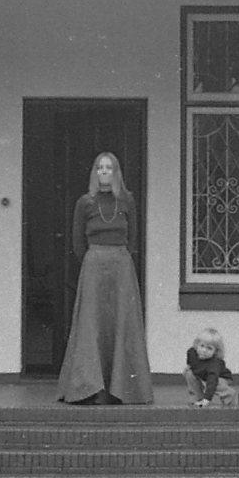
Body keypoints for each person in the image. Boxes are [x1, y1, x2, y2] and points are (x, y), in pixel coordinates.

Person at [57, 152, 153, 405]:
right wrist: (95, 259)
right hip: (94, 266)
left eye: (109, 168)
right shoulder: (85, 203)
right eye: (100, 167)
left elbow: (133, 238)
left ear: (116, 172)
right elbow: (77, 241)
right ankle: (90, 388)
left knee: (122, 323)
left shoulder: (127, 200)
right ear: (94, 172)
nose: (104, 172)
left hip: (121, 266)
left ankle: (123, 388)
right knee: (92, 323)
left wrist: (118, 257)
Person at [184, 328, 239, 407]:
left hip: (219, 377)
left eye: (209, 348)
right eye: (202, 346)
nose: (204, 350)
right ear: (197, 344)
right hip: (204, 375)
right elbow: (190, 361)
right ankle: (197, 397)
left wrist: (207, 399)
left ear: (215, 351)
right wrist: (189, 366)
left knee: (217, 384)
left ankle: (229, 397)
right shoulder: (192, 352)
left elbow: (212, 381)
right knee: (189, 373)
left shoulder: (214, 364)